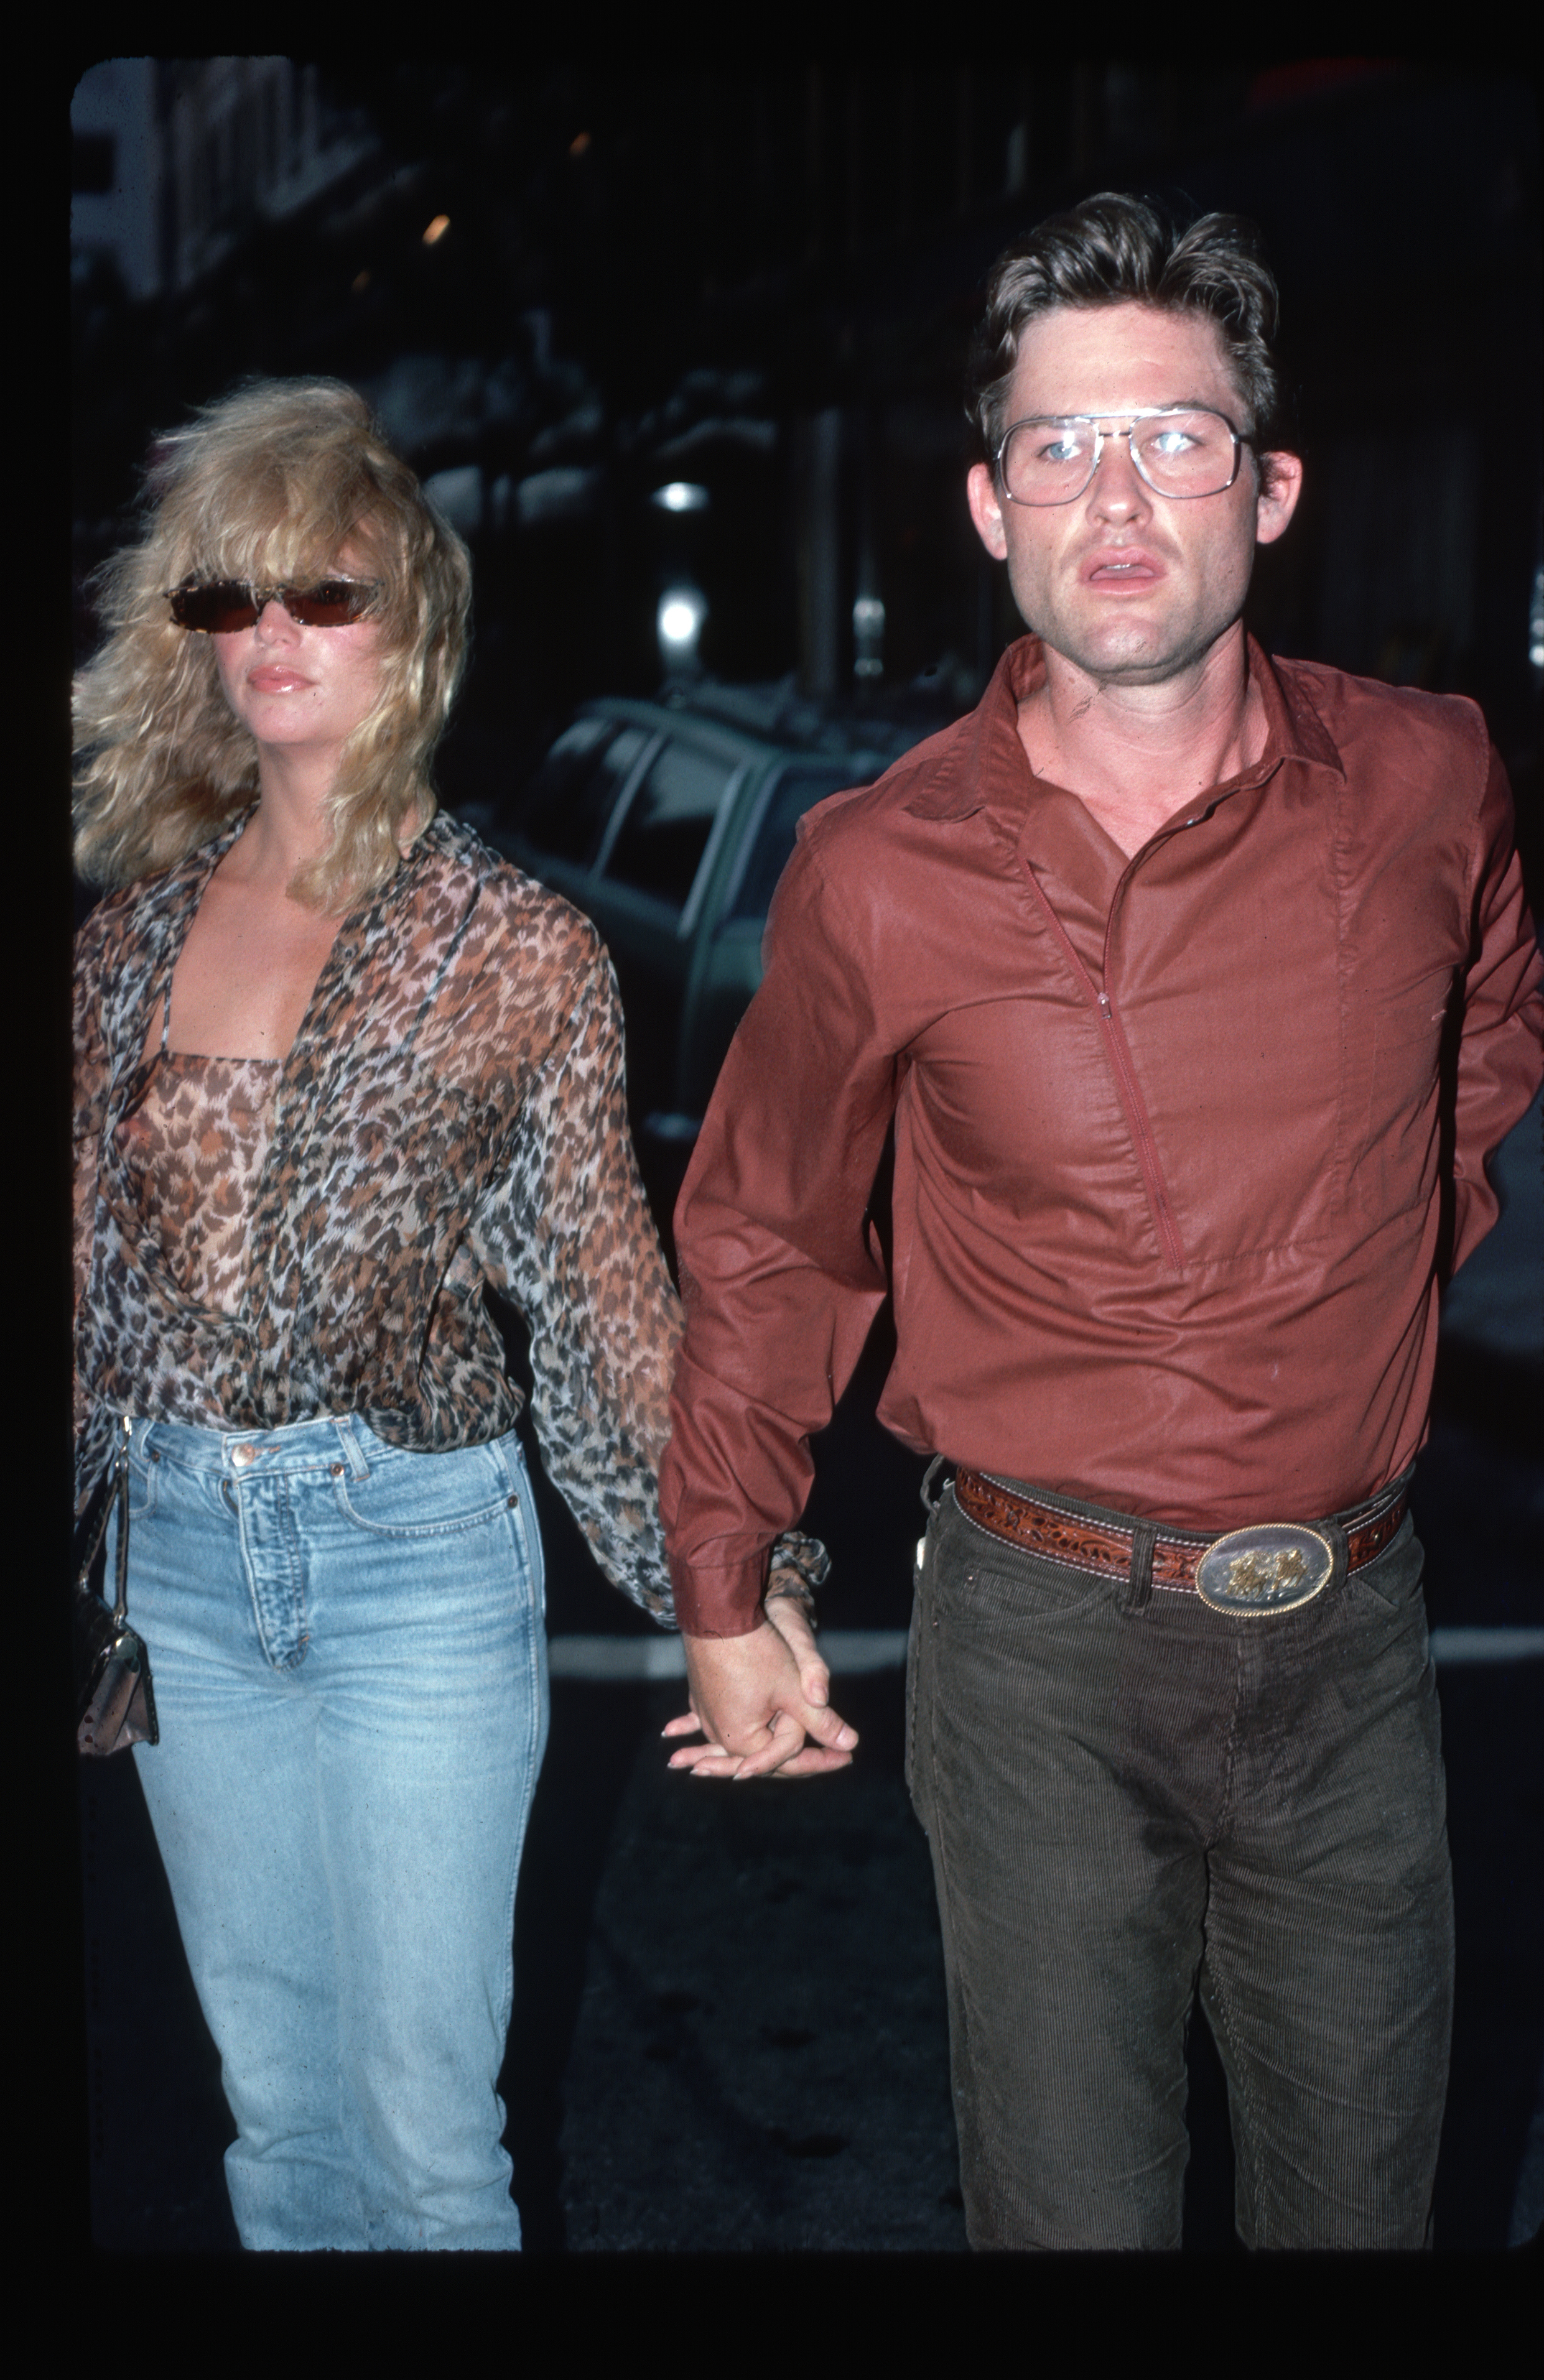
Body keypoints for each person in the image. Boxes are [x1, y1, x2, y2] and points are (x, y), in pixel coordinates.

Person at [658, 195, 1544, 2249]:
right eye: (1060, 445)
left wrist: (1390, 1247)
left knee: (1365, 2224)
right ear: (988, 504)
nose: (1117, 495)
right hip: (1038, 1647)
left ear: (1272, 486)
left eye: (1175, 435)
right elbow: (776, 1232)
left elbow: (1489, 1017)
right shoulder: (876, 866)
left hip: (1351, 1636)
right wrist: (723, 1573)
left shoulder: (1429, 774)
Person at [70, 379, 830, 2251]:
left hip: (411, 1548)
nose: (273, 638)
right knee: (278, 2132)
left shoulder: (514, 949)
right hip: (174, 1560)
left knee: (428, 2150)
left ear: (411, 625)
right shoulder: (120, 945)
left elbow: (597, 1310)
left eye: (324, 594)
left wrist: (739, 1596)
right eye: (228, 598)